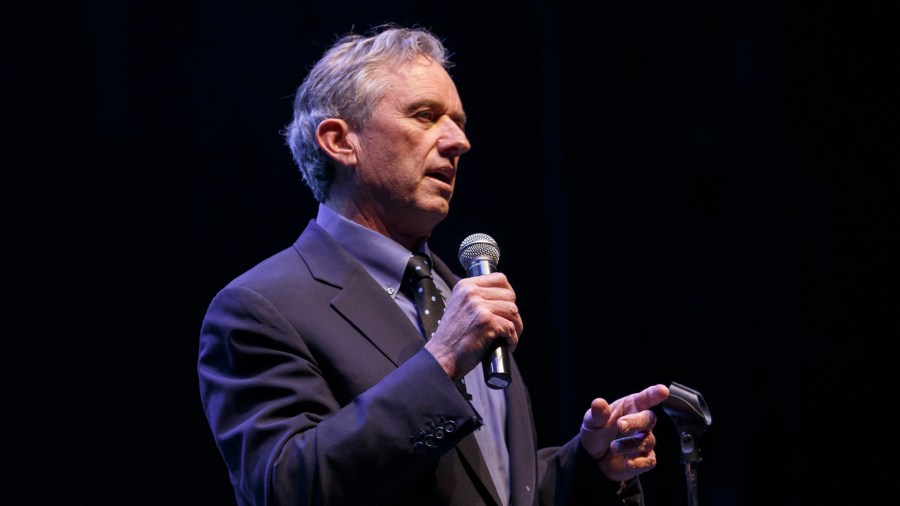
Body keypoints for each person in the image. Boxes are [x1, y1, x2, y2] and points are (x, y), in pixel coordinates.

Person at [198, 23, 670, 505]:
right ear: (340, 142)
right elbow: (285, 487)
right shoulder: (260, 308)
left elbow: (489, 486)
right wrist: (442, 360)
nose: (458, 141)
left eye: (459, 122)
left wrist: (589, 465)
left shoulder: (453, 292)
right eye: (425, 116)